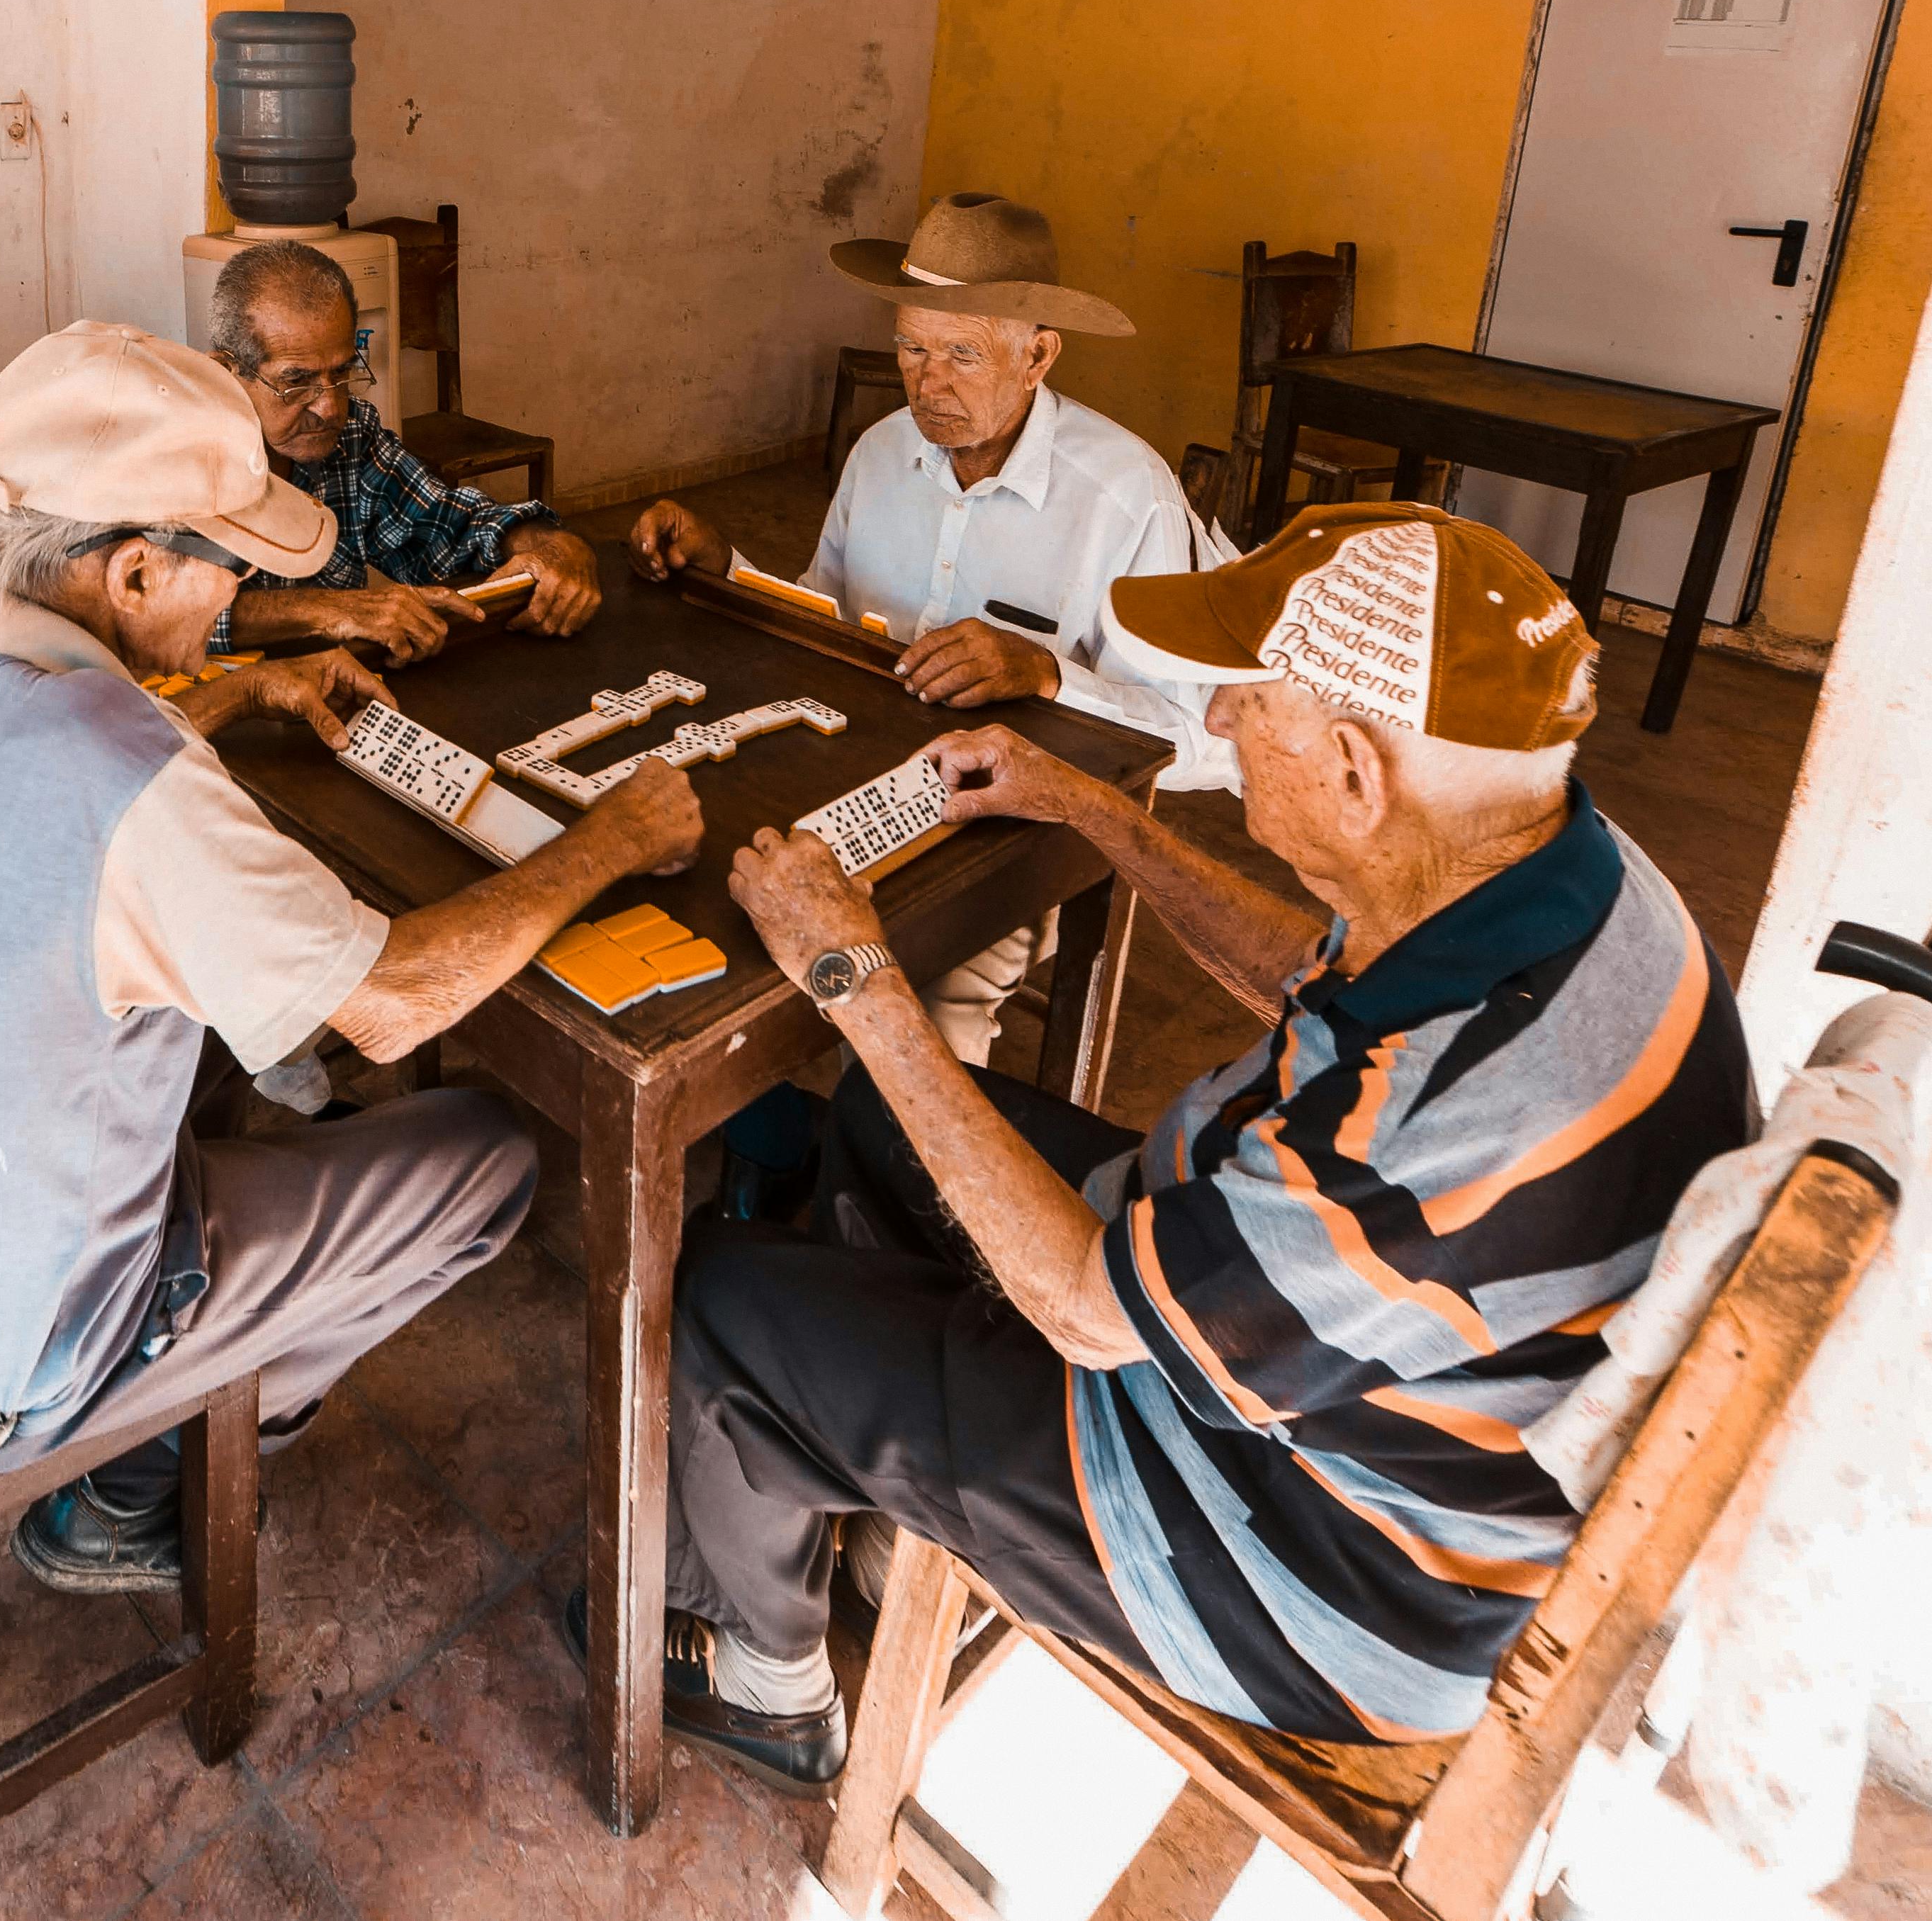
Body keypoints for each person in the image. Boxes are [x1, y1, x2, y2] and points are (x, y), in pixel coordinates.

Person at [573, 507, 1752, 1796]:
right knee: (875, 1113)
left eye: (1247, 700)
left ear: (1359, 773)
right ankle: (865, 1505)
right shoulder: (1556, 863)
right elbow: (1309, 978)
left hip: (1294, 1558)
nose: (1224, 721)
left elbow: (1086, 1311)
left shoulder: (1438, 1129)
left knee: (724, 1300)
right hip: (1318, 1371)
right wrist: (1089, 808)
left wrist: (850, 968)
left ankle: (769, 1680)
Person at [0, 319, 703, 1594]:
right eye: (229, 575)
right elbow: (392, 1002)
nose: (244, 609)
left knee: (217, 1047)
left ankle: (195, 1363)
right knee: (489, 1155)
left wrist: (244, 690)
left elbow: (75, 756)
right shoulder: (135, 785)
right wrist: (609, 837)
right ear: (139, 574)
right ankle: (143, 1475)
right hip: (15, 1356)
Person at [630, 192, 1240, 1215]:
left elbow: (1202, 743)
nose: (927, 383)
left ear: (1039, 355)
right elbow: (831, 618)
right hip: (852, 785)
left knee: (920, 999)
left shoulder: (1124, 493)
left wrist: (1049, 676)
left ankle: (899, 1216)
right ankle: (771, 1152)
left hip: (1013, 838)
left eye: (962, 355)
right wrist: (729, 568)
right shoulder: (880, 454)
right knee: (711, 906)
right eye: (913, 350)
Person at [201, 238, 603, 665]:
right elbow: (149, 615)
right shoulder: (169, 458)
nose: (329, 408)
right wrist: (330, 610)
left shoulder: (351, 437)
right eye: (296, 381)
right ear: (227, 371)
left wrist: (553, 546)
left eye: (342, 372)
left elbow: (447, 524)